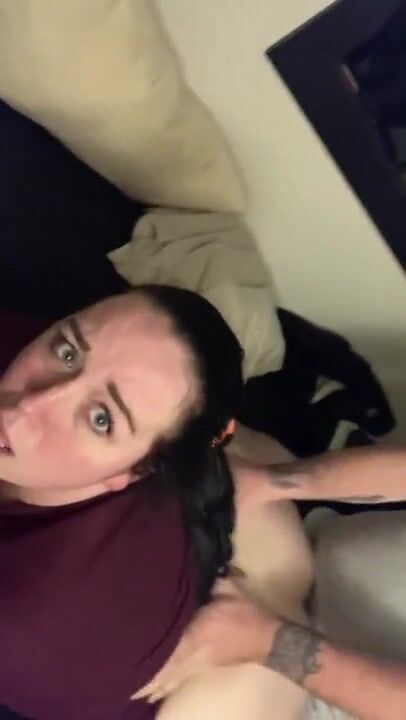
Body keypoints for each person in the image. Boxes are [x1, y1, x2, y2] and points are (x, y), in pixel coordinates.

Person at [135, 445, 406, 720]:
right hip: (306, 557)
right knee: (189, 462)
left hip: (315, 694)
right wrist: (274, 482)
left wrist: (269, 643)